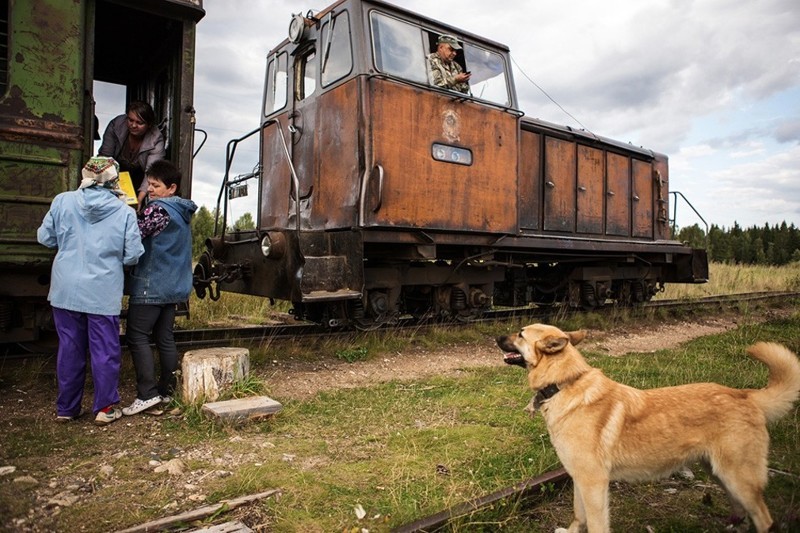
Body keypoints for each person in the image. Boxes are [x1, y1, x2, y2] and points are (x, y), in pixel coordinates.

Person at [37, 156, 145, 426]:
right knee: (104, 351)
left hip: (65, 289)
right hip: (102, 292)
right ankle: (105, 407)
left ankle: (67, 408)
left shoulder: (62, 201)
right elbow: (132, 256)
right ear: (114, 179)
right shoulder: (124, 212)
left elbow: (45, 237)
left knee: (70, 349)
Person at [123, 160, 197, 416]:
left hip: (151, 285)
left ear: (171, 188)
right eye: (149, 184)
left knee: (137, 336)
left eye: (155, 185)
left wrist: (128, 210)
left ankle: (147, 394)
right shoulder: (181, 213)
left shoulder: (157, 210)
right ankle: (166, 391)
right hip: (173, 286)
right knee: (164, 337)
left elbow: (134, 235)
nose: (150, 189)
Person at [98, 100, 166, 207]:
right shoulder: (116, 125)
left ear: (149, 125)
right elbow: (104, 158)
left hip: (140, 179)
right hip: (113, 175)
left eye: (140, 123)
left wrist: (140, 198)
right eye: (130, 120)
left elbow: (151, 171)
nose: (133, 125)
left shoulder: (156, 139)